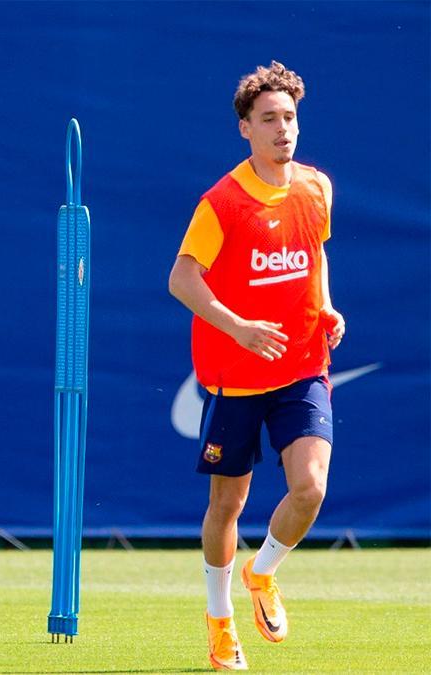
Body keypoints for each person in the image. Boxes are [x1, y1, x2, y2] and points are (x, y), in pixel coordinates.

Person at [168, 61, 345, 670]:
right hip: (234, 373)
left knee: (311, 486)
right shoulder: (222, 202)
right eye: (268, 119)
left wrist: (324, 306)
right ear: (245, 127)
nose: (282, 129)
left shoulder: (316, 187)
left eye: (289, 118)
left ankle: (262, 571)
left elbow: (314, 254)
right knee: (227, 506)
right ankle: (219, 621)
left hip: (301, 365)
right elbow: (182, 279)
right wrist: (239, 327)